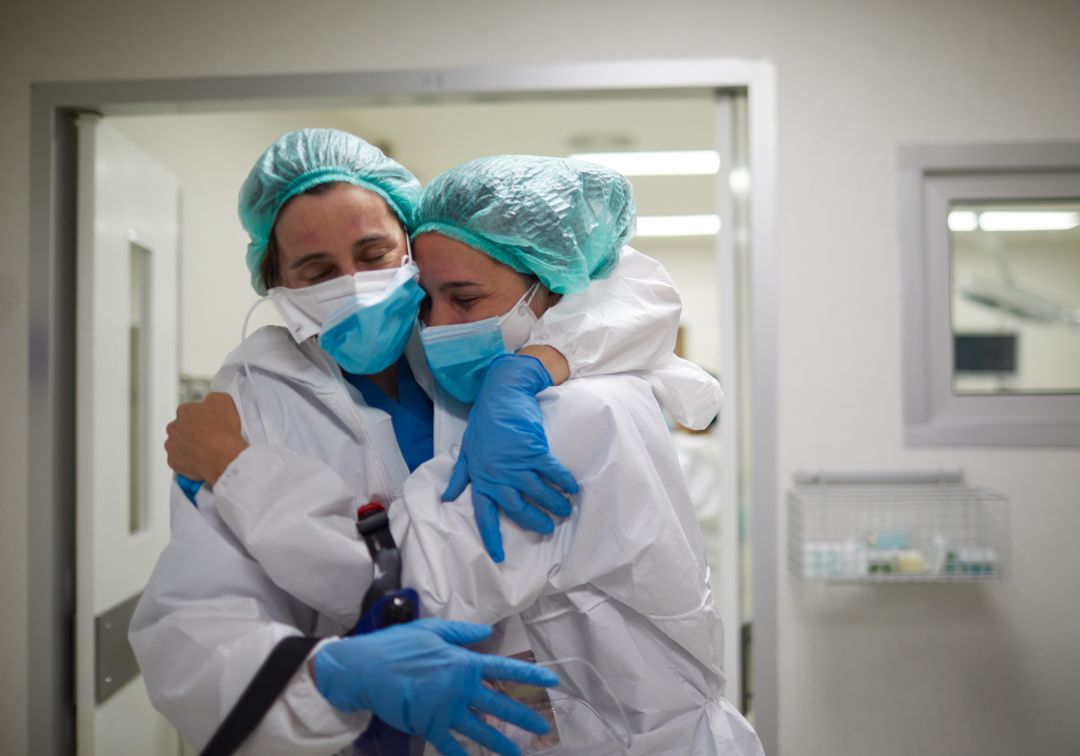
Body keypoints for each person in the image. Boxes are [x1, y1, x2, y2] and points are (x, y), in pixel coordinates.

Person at [152, 155, 761, 754]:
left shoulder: (552, 404)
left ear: (408, 246)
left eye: (372, 255)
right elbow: (194, 628)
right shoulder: (255, 395)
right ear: (275, 281)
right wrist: (323, 675)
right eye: (316, 270)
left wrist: (238, 472)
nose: (357, 287)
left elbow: (414, 582)